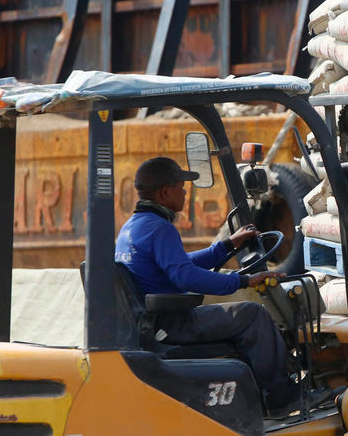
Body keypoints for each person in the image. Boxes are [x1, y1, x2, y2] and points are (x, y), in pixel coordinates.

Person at [115, 156, 299, 411]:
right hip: (173, 324)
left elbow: (179, 264)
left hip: (154, 322)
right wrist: (243, 280)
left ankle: (254, 391)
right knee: (254, 315)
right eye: (181, 186)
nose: (185, 191)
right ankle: (280, 399)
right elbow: (185, 276)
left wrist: (225, 246)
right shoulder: (160, 229)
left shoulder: (132, 228)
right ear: (165, 192)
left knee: (243, 316)